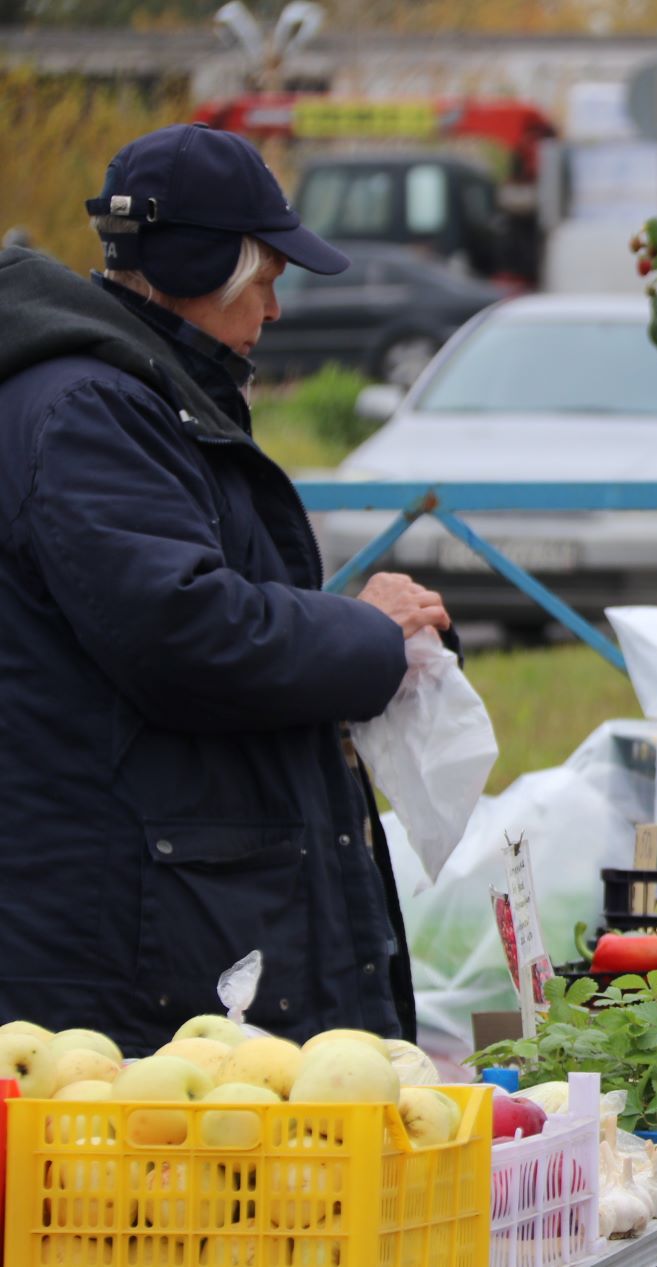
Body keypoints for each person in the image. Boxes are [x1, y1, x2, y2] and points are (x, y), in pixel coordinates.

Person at [0, 123, 451, 1054]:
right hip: (131, 924)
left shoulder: (129, 390)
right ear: (204, 266)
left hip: (158, 898)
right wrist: (365, 635)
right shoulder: (92, 408)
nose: (275, 311)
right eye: (267, 279)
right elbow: (184, 629)